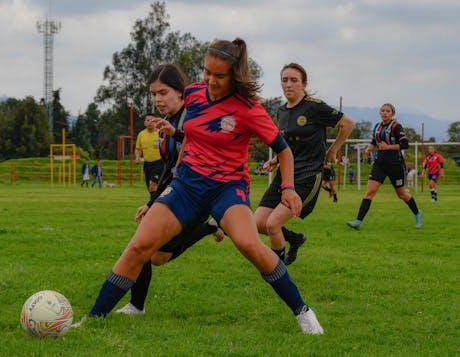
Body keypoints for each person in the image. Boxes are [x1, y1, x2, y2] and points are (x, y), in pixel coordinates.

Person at [74, 38, 324, 334]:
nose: (211, 81)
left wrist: (288, 187)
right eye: (207, 72)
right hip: (186, 187)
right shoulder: (193, 93)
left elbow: (284, 151)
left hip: (227, 189)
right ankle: (92, 321)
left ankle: (303, 312)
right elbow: (191, 132)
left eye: (219, 76)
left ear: (234, 76)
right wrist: (178, 151)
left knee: (248, 244)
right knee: (140, 246)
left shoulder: (248, 109)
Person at [115, 63, 224, 316]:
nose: (157, 99)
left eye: (163, 93)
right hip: (178, 192)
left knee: (145, 246)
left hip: (199, 193)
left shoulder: (193, 115)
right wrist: (151, 202)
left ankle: (135, 306)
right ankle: (211, 227)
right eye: (153, 94)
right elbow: (169, 169)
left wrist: (176, 133)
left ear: (180, 91)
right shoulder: (166, 123)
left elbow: (195, 142)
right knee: (157, 256)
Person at [255, 62, 354, 265]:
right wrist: (275, 160)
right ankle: (295, 239)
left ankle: (277, 270)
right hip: (285, 174)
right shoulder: (281, 111)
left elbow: (348, 123)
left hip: (308, 174)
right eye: (284, 80)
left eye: (294, 80)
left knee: (273, 224)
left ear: (304, 84)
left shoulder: (314, 106)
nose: (288, 84)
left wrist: (333, 149)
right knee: (258, 223)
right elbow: (287, 144)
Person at [347, 103, 423, 230]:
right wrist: (367, 149)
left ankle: (417, 213)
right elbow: (374, 142)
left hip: (395, 165)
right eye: (383, 110)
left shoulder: (396, 126)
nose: (385, 113)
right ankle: (358, 221)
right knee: (370, 192)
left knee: (402, 194)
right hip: (380, 164)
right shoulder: (377, 126)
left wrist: (388, 147)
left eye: (388, 111)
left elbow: (405, 144)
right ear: (380, 113)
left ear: (392, 114)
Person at [136, 114, 164, 199]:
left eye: (152, 120)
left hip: (159, 163)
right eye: (148, 120)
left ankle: (153, 206)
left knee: (153, 184)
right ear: (145, 123)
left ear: (156, 122)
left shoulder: (160, 132)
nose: (150, 122)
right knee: (150, 188)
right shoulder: (141, 134)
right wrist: (138, 157)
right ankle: (156, 202)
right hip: (147, 164)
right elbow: (138, 148)